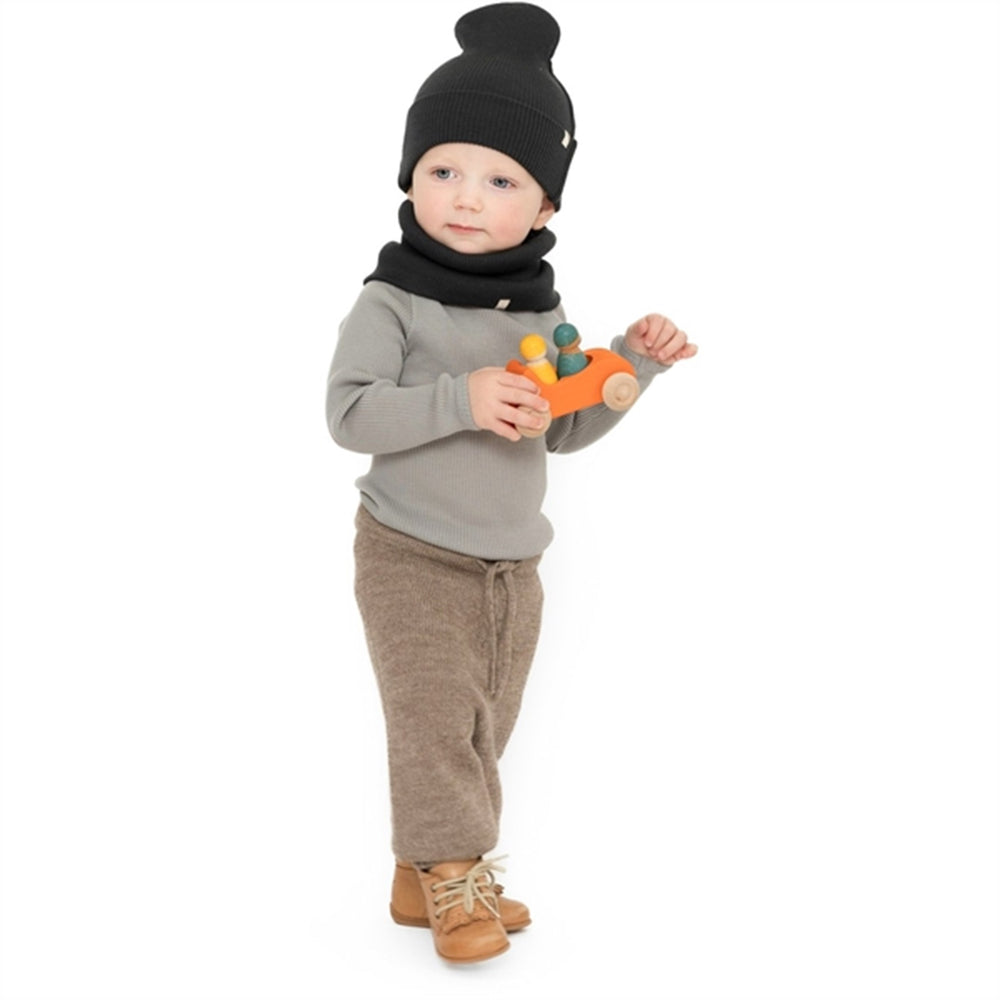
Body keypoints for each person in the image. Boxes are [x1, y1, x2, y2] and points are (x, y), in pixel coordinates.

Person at [325, 1, 696, 965]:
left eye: (499, 179)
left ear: (544, 208)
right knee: (433, 724)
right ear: (410, 177)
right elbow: (350, 414)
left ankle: (419, 876)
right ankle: (457, 875)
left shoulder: (538, 312)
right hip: (411, 554)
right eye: (442, 170)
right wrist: (462, 398)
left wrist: (630, 366)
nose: (464, 196)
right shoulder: (392, 300)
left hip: (510, 570)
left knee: (482, 729)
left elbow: (563, 430)